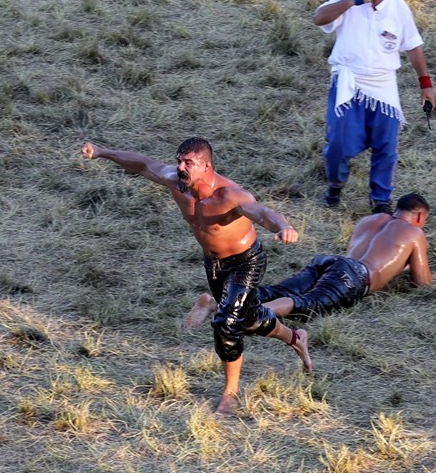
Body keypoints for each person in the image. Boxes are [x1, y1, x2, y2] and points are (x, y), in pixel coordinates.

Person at [81, 137, 311, 414]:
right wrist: (102, 152)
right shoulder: (177, 182)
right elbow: (142, 164)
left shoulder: (229, 195)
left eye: (188, 163)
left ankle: (230, 394)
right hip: (213, 263)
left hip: (245, 262)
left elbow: (261, 212)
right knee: (248, 321)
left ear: (207, 166)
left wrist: (284, 226)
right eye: (179, 161)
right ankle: (295, 337)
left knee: (226, 324)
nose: (180, 167)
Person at [184, 193, 432, 326]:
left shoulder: (370, 220)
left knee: (276, 289)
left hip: (332, 262)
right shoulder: (414, 233)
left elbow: (358, 256)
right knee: (304, 303)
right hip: (355, 275)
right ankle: (246, 316)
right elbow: (422, 281)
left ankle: (218, 302)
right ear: (419, 216)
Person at [313, 0, 436, 214]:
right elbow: (319, 18)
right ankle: (335, 183)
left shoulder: (399, 8)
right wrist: (350, 2)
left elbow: (413, 46)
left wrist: (425, 83)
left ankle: (380, 199)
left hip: (383, 84)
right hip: (348, 80)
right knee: (338, 142)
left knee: (386, 144)